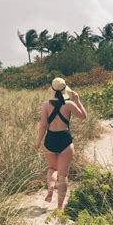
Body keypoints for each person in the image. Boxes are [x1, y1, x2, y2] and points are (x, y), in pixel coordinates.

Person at [34, 77, 87, 210]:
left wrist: (38, 142)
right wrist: (77, 100)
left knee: (52, 168)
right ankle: (59, 207)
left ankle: (51, 189)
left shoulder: (46, 105)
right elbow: (83, 116)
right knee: (63, 175)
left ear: (52, 90)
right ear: (65, 90)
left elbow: (43, 125)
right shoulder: (69, 104)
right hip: (65, 139)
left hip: (50, 139)